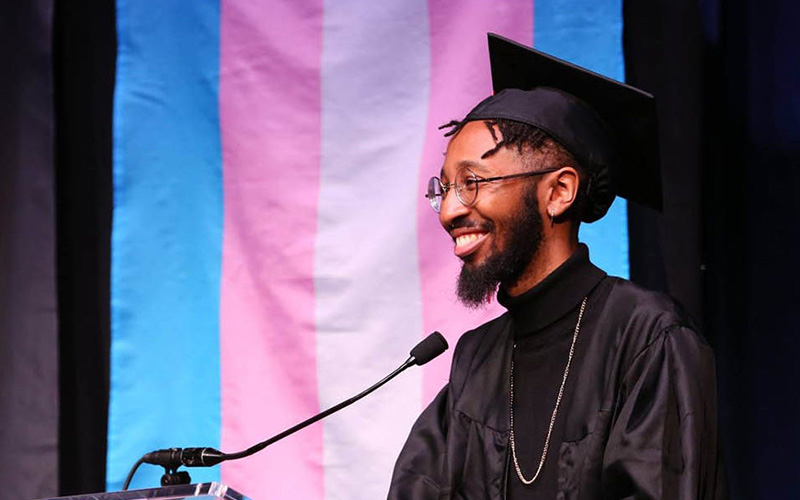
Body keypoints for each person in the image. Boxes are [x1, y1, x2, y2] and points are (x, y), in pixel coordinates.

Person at [387, 34, 727, 500]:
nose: (449, 211)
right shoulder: (475, 361)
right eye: (443, 189)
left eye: (470, 182)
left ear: (559, 192)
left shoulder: (647, 339)